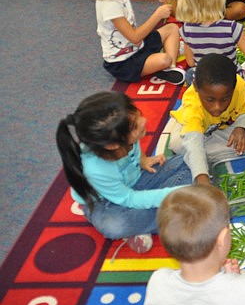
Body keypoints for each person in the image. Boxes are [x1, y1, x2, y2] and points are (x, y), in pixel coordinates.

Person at [56, 91, 192, 254]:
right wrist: (175, 194)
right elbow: (128, 198)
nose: (144, 121)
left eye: (137, 114)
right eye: (135, 126)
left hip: (134, 181)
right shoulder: (96, 169)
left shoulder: (119, 133)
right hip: (105, 204)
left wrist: (143, 160)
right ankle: (161, 215)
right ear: (113, 146)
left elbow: (134, 148)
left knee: (189, 161)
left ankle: (149, 221)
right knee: (114, 226)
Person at [168, 53, 245, 185]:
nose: (217, 108)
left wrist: (241, 127)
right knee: (178, 146)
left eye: (225, 99)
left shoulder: (241, 87)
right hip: (195, 128)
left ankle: (208, 155)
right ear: (196, 87)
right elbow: (193, 142)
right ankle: (240, 148)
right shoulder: (193, 107)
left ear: (233, 88)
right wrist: (202, 177)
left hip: (226, 126)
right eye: (210, 100)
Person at [85, 0, 184, 85]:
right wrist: (157, 15)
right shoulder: (109, 5)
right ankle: (165, 63)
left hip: (138, 46)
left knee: (172, 28)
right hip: (124, 62)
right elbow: (135, 37)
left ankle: (170, 69)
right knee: (164, 59)